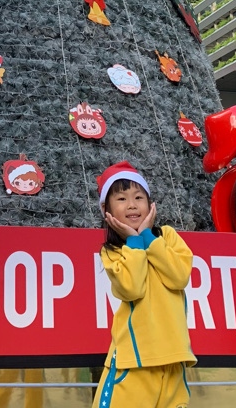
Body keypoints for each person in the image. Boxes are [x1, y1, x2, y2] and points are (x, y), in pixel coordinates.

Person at [93, 161, 195, 408]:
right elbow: (132, 289)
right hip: (132, 363)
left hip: (174, 358)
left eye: (139, 197)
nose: (132, 205)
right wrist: (134, 241)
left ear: (150, 205)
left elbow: (179, 276)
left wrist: (148, 237)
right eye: (121, 199)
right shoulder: (112, 251)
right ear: (106, 210)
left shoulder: (167, 236)